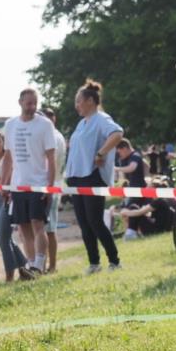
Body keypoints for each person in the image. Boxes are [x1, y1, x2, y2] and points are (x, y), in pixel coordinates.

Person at [64, 79, 125, 273]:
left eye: (79, 101)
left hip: (92, 176)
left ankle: (115, 261)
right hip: (76, 178)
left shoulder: (101, 119)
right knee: (84, 223)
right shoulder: (81, 123)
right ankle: (94, 263)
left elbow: (117, 134)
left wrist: (101, 153)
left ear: (90, 101)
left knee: (95, 221)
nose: (76, 105)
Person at [2, 88, 57, 279]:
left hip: (38, 184)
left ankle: (39, 264)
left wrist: (49, 186)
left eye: (35, 103)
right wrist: (5, 184)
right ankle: (31, 264)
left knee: (37, 224)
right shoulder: (10, 124)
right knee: (23, 226)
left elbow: (51, 158)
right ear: (20, 102)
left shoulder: (45, 124)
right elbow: (8, 157)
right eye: (29, 103)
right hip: (18, 184)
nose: (32, 106)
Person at [41, 108, 66, 273]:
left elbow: (49, 163)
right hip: (53, 183)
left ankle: (50, 266)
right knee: (47, 228)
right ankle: (46, 265)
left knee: (48, 229)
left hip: (50, 185)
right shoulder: (56, 136)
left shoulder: (53, 137)